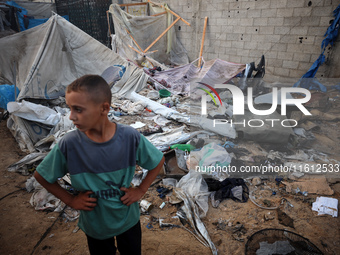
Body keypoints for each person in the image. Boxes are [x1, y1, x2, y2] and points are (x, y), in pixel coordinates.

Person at [34, 74, 165, 255]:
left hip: (128, 219)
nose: (71, 117)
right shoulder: (69, 144)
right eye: (70, 109)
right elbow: (41, 176)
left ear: (104, 108)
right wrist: (71, 199)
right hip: (95, 225)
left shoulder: (129, 137)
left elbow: (158, 161)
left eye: (78, 110)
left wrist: (141, 190)